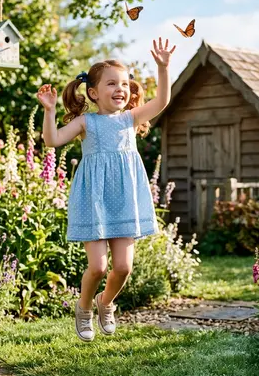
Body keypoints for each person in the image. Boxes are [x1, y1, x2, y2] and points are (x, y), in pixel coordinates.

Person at [36, 37, 176, 342]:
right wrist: (48, 111)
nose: (120, 89)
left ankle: (106, 303)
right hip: (94, 200)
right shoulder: (87, 121)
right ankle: (84, 307)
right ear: (94, 93)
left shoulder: (130, 119)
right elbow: (52, 141)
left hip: (125, 200)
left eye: (124, 84)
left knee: (123, 267)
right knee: (98, 267)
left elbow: (162, 101)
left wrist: (163, 68)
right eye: (112, 84)